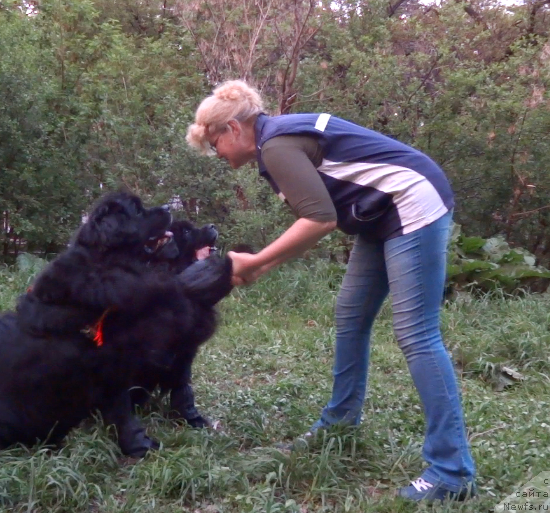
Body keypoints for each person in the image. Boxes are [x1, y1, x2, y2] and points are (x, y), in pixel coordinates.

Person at [186, 80, 476, 503]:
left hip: (411, 201)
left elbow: (319, 220)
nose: (218, 155)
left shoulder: (277, 146)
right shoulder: (276, 140)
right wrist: (262, 264)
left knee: (417, 334)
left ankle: (453, 471)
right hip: (379, 214)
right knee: (351, 317)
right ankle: (339, 423)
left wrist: (259, 260)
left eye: (215, 145)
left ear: (232, 128)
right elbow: (322, 215)